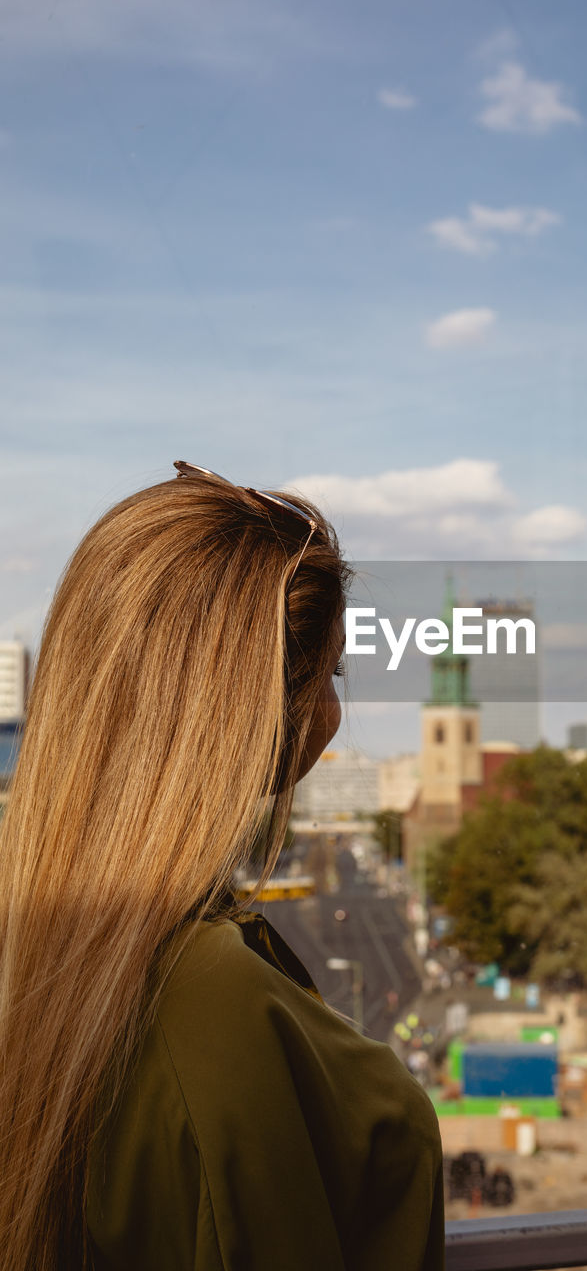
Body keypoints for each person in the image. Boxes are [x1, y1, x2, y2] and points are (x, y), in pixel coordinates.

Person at [0, 463, 446, 1271]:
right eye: (330, 676)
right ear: (265, 705)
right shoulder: (215, 1003)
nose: (334, 716)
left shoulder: (41, 948)